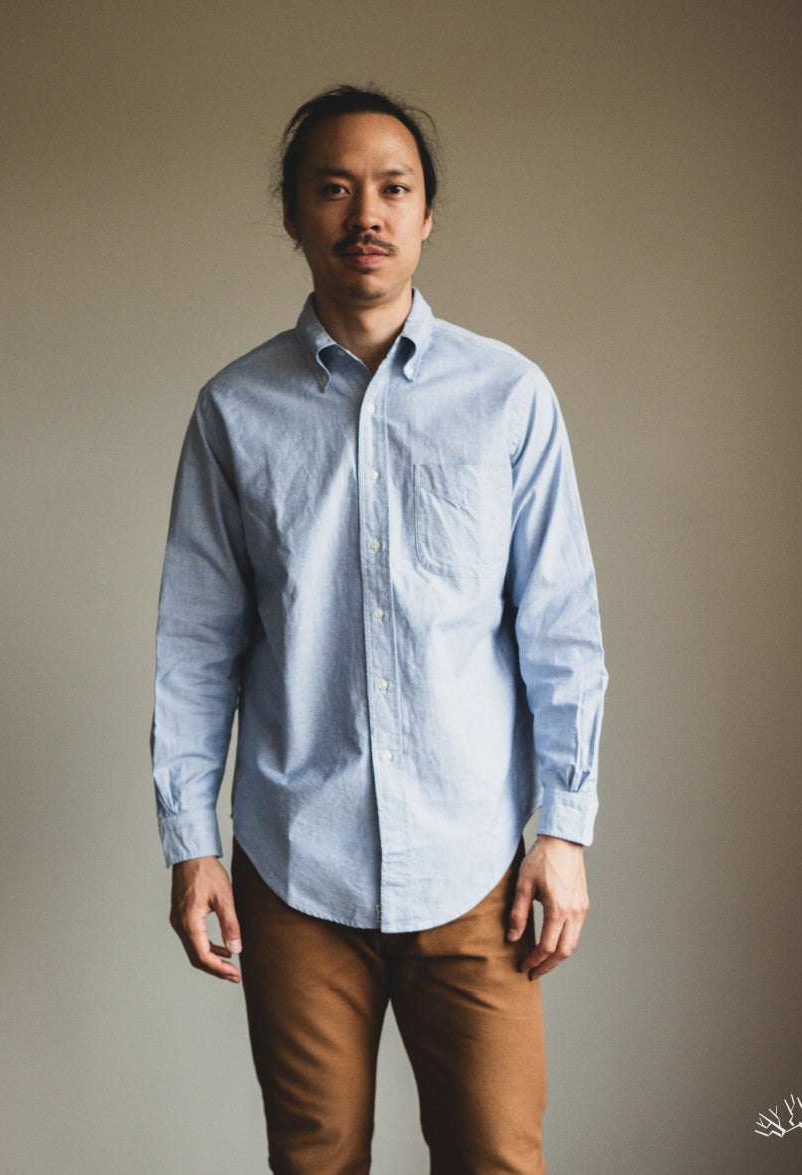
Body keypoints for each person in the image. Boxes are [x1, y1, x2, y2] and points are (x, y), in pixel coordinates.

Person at [152, 84, 607, 1175]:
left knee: (497, 1157)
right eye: (335, 188)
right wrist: (190, 841)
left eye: (393, 188)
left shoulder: (509, 397)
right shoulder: (233, 411)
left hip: (475, 868)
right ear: (293, 213)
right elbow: (196, 644)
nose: (367, 212)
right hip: (295, 867)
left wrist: (565, 829)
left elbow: (560, 629)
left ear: (426, 214)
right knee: (314, 1162)